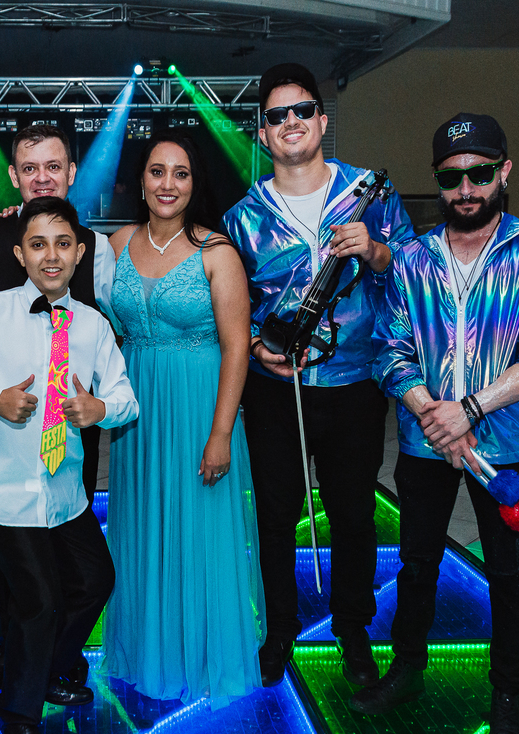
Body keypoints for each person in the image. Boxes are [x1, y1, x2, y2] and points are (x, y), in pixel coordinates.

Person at [352, 113, 519, 734]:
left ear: (504, 172)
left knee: (506, 573)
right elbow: (389, 351)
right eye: (452, 178)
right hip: (425, 443)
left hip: (502, 448)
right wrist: (431, 413)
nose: (467, 189)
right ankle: (407, 669)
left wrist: (471, 409)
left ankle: (507, 697)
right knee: (417, 562)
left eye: (479, 173)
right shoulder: (412, 260)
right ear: (438, 181)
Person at [223, 63, 415, 689]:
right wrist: (258, 346)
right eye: (276, 116)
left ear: (322, 120)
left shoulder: (370, 193)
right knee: (275, 515)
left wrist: (377, 252)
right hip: (277, 389)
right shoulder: (243, 217)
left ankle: (352, 628)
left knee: (354, 514)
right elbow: (233, 305)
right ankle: (279, 628)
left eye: (302, 110)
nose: (291, 123)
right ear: (262, 134)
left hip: (355, 384)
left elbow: (416, 277)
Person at [0, 197, 138, 734]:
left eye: (63, 244)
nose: (52, 256)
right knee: (40, 601)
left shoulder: (93, 325)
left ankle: (39, 670)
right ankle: (17, 713)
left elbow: (125, 398)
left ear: (80, 253)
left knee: (95, 580)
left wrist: (100, 408)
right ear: (20, 254)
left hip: (64, 489)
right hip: (2, 488)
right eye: (38, 244)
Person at [101, 132, 264, 706]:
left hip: (199, 406)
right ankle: (148, 652)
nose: (167, 183)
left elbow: (237, 348)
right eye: (157, 171)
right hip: (137, 413)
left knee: (198, 530)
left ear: (195, 184)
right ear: (140, 181)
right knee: (143, 527)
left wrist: (221, 434)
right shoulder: (117, 244)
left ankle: (200, 654)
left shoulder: (217, 252)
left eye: (181, 173)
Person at [0, 124, 116, 689]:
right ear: (13, 176)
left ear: (71, 173)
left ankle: (53, 659)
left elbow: (107, 326)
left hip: (69, 432)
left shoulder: (97, 248)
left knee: (73, 555)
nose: (42, 178)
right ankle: (12, 661)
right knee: (15, 565)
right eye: (30, 169)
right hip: (6, 433)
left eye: (53, 167)